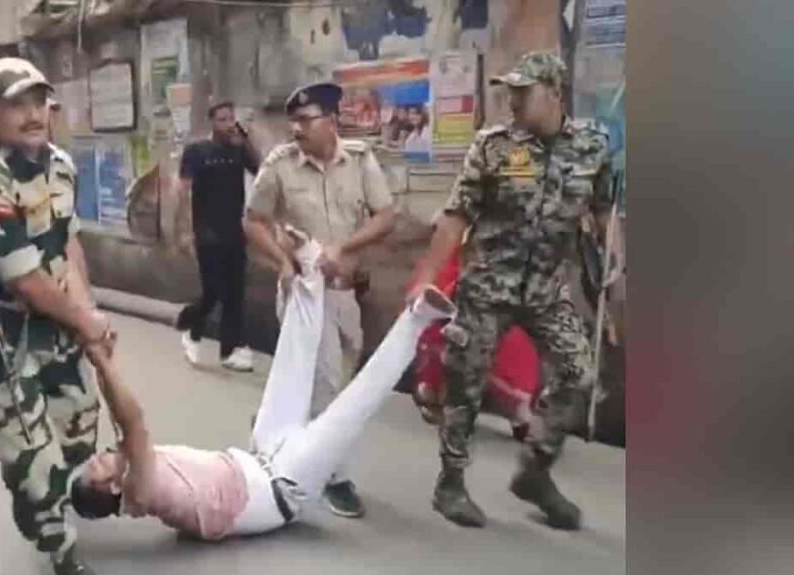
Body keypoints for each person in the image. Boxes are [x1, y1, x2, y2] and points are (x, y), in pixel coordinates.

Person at [70, 232, 456, 539]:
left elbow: (123, 424)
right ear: (111, 487)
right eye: (96, 466)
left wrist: (101, 363)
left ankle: (309, 277)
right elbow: (132, 420)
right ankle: (419, 319)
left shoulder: (129, 471)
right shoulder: (139, 486)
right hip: (284, 487)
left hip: (258, 458)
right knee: (351, 408)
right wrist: (101, 359)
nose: (99, 457)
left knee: (289, 368)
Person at [407, 52, 624, 531]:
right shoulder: (494, 147)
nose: (513, 101)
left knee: (579, 374)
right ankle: (450, 484)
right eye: (510, 91)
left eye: (523, 92)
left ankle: (536, 470)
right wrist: (426, 277)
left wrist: (614, 258)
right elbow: (456, 216)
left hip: (547, 288)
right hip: (487, 286)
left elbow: (605, 209)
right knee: (465, 382)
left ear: (553, 93)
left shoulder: (594, 146)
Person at [0, 57, 112, 575]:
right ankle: (59, 546)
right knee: (36, 465)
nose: (33, 113)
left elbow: (68, 245)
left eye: (39, 101)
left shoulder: (61, 164)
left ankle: (51, 486)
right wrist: (84, 321)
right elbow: (26, 281)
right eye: (17, 103)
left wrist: (86, 310)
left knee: (81, 438)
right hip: (0, 337)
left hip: (57, 326)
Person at [243, 82, 397, 518]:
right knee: (328, 384)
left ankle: (272, 426)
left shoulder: (361, 161)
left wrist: (344, 249)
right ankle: (334, 475)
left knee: (338, 374)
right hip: (305, 293)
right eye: (292, 121)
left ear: (331, 121)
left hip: (348, 293)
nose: (295, 130)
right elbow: (254, 222)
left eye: (305, 121)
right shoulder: (280, 165)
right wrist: (282, 261)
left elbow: (386, 217)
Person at [409, 244, 540, 441]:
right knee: (438, 335)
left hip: (505, 368)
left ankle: (518, 412)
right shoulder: (453, 279)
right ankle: (443, 397)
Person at [175, 101, 259, 371]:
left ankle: (229, 350)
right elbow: (183, 192)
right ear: (211, 122)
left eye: (231, 119)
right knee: (213, 290)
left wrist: (246, 140)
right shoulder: (197, 152)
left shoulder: (237, 150)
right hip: (206, 232)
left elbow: (260, 168)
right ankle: (191, 326)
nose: (228, 124)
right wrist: (184, 231)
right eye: (222, 119)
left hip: (234, 230)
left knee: (235, 292)